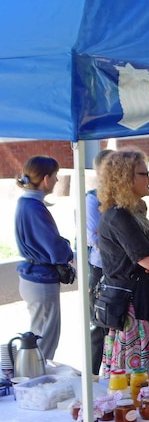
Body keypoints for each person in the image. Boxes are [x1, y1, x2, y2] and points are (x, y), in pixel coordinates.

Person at [98, 150, 149, 379]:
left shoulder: (134, 212)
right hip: (136, 311)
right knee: (138, 383)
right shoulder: (118, 217)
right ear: (125, 178)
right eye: (144, 173)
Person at [14, 155, 74, 362]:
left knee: (40, 337)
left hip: (34, 276)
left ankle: (32, 379)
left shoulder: (27, 203)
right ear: (46, 178)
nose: (57, 181)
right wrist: (69, 250)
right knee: (44, 341)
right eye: (56, 176)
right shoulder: (33, 206)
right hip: (40, 278)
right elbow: (54, 247)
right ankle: (33, 384)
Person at [85, 149, 113, 376]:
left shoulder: (123, 198)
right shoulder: (92, 198)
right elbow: (95, 238)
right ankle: (93, 377)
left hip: (121, 270)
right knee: (99, 326)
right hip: (100, 268)